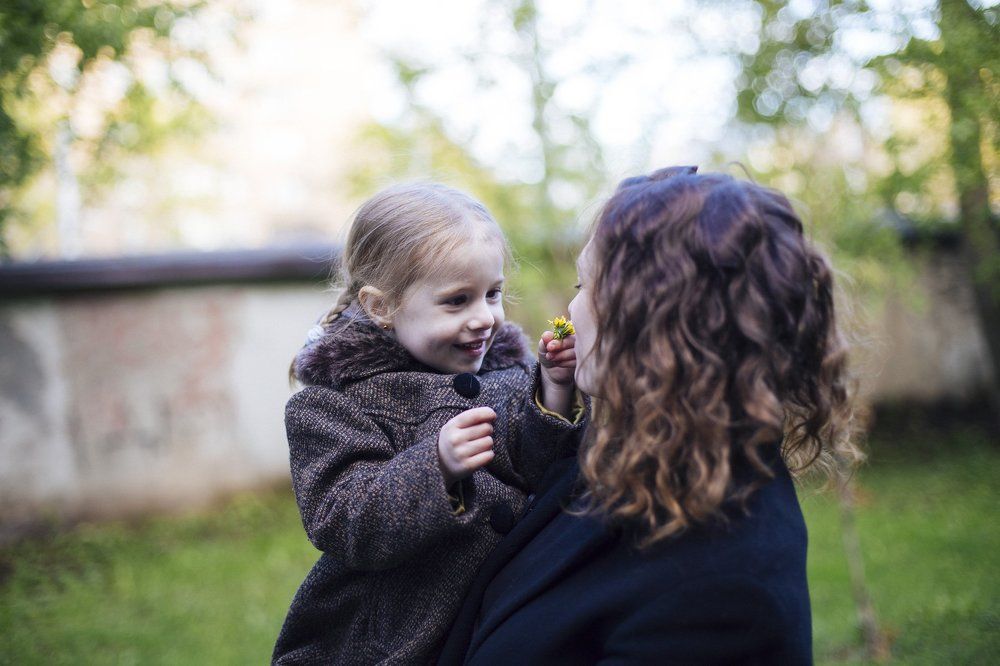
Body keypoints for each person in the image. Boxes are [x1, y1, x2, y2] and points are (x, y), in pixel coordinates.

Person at [439, 167, 861, 665]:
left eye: (585, 284)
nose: (571, 311)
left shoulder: (725, 593)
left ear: (651, 316)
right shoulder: (624, 449)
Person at [272, 182, 584, 665]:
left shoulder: (509, 373)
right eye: (457, 301)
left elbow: (537, 469)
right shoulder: (332, 405)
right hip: (396, 639)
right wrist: (434, 465)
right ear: (382, 307)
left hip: (503, 614)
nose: (485, 318)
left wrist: (554, 389)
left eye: (493, 294)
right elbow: (343, 519)